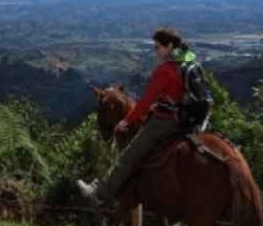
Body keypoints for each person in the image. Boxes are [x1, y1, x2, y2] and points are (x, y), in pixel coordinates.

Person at [77, 25, 196, 206]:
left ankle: (100, 194)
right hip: (189, 121)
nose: (156, 51)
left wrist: (126, 121)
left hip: (166, 122)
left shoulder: (164, 70)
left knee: (128, 156)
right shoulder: (190, 62)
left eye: (158, 47)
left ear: (170, 46)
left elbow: (145, 102)